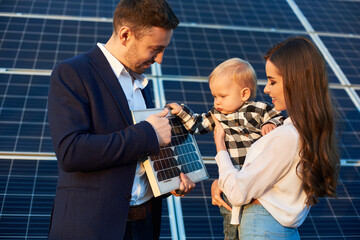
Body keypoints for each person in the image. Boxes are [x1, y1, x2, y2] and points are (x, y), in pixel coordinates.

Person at [47, 0, 195, 239]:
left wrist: (169, 180)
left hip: (142, 227)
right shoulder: (73, 73)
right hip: (93, 228)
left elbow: (135, 160)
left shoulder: (140, 84)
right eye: (155, 48)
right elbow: (71, 151)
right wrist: (149, 133)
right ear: (126, 34)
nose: (160, 60)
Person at [211, 36, 340, 239]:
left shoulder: (287, 137)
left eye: (272, 81)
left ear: (295, 82)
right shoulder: (304, 133)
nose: (265, 89)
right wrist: (223, 182)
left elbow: (237, 193)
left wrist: (220, 148)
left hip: (261, 230)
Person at [168, 58, 284, 240]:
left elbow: (278, 117)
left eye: (222, 96)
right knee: (231, 224)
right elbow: (197, 125)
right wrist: (182, 112)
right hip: (233, 181)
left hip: (256, 180)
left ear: (244, 94)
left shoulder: (257, 110)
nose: (216, 102)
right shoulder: (217, 115)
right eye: (214, 96)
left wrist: (270, 123)